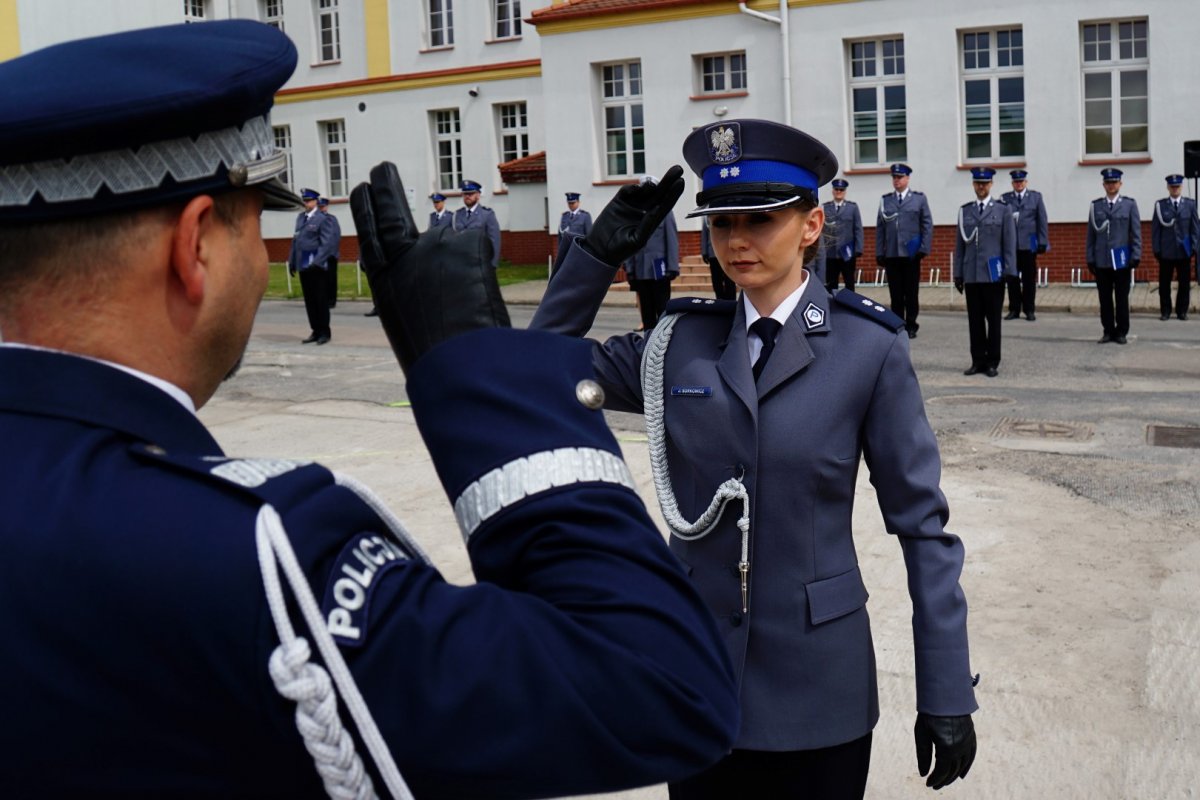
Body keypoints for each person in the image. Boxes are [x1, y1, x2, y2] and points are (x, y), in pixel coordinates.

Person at [0, 21, 741, 797]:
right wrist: (477, 374)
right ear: (195, 247)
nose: (262, 256)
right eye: (257, 223)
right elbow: (660, 685)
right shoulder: (250, 553)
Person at [532, 118, 979, 799]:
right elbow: (534, 370)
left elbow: (924, 528)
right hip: (697, 677)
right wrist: (594, 258)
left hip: (818, 688)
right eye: (720, 223)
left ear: (809, 225)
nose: (736, 241)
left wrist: (945, 686)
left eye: (760, 220)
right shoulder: (676, 344)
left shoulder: (869, 349)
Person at [953, 167, 1017, 377]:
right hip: (972, 274)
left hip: (993, 274)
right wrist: (958, 273)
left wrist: (1009, 270)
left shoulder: (1002, 210)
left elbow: (1009, 242)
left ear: (991, 185)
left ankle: (992, 361)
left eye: (985, 183)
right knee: (975, 320)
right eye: (978, 183)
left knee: (994, 320)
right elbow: (960, 245)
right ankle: (977, 360)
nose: (981, 187)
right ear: (973, 184)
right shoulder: (965, 211)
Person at [876, 163, 933, 338]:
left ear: (907, 178)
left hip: (911, 254)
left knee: (911, 291)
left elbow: (927, 224)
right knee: (896, 292)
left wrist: (923, 248)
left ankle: (911, 323)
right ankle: (898, 323)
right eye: (894, 177)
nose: (896, 181)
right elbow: (880, 228)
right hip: (892, 253)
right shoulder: (886, 200)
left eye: (900, 177)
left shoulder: (918, 199)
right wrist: (880, 251)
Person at [1086, 168, 1142, 344]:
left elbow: (1136, 233)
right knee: (1104, 298)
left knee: (1121, 297)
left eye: (1114, 182)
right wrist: (1090, 258)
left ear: (1120, 184)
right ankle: (1108, 330)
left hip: (1122, 259)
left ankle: (1121, 331)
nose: (1111, 186)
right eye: (1108, 183)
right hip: (1102, 259)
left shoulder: (1129, 205)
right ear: (1103, 185)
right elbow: (1091, 235)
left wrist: (1136, 254)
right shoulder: (1096, 206)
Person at [624, 189, 680, 331]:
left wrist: (673, 267)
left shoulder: (664, 212)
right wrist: (629, 268)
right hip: (641, 269)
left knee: (663, 310)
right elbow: (630, 242)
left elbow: (671, 240)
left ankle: (663, 343)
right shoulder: (635, 214)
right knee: (647, 313)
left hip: (659, 269)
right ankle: (648, 343)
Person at [288, 187, 337, 344]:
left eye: (309, 200)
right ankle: (315, 330)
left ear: (316, 201)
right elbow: (295, 241)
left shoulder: (323, 219)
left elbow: (327, 243)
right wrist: (292, 261)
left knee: (320, 299)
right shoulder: (300, 218)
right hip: (303, 264)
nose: (306, 203)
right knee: (310, 300)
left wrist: (316, 262)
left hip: (316, 266)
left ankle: (325, 332)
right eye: (305, 200)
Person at [1000, 169, 1049, 321]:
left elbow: (1042, 221)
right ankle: (1014, 309)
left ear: (1026, 182)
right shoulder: (1005, 199)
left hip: (1029, 245)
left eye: (1021, 181)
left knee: (1029, 279)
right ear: (1012, 183)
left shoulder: (1035, 197)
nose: (1019, 184)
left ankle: (1029, 309)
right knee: (1012, 279)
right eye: (1016, 182)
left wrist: (1043, 241)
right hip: (1011, 246)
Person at [1151, 174, 1198, 321]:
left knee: (1184, 283)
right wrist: (1156, 249)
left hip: (1184, 250)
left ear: (1181, 187)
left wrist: (1194, 247)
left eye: (1177, 186)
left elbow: (1195, 228)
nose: (1175, 189)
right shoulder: (1161, 205)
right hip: (1167, 250)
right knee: (1164, 283)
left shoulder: (1190, 205)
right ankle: (1165, 310)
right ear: (1168, 188)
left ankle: (1181, 311)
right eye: (1172, 187)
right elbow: (1156, 229)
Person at [819, 177, 864, 293]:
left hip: (847, 252)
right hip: (831, 253)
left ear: (845, 191)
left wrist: (858, 249)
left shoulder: (852, 208)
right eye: (836, 189)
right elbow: (821, 230)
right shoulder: (826, 207)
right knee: (831, 284)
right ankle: (832, 308)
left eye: (841, 190)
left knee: (849, 282)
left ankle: (850, 307)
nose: (839, 192)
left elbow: (858, 229)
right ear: (833, 191)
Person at [453, 179, 502, 269]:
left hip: (480, 263)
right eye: (465, 194)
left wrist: (493, 264)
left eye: (471, 194)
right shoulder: (458, 215)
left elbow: (494, 240)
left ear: (478, 195)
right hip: (461, 263)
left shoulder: (487, 214)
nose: (467, 196)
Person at [701, 216, 737, 299]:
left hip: (727, 252)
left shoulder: (729, 214)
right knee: (716, 279)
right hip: (713, 254)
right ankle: (719, 299)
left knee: (729, 278)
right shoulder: (707, 217)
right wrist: (704, 252)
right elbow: (704, 234)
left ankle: (731, 301)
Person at [318, 196, 341, 309]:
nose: (321, 209)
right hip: (318, 255)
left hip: (330, 254)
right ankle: (322, 299)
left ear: (327, 207)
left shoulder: (331, 219)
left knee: (331, 279)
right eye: (319, 207)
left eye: (323, 206)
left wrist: (331, 252)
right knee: (320, 279)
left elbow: (335, 236)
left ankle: (331, 301)